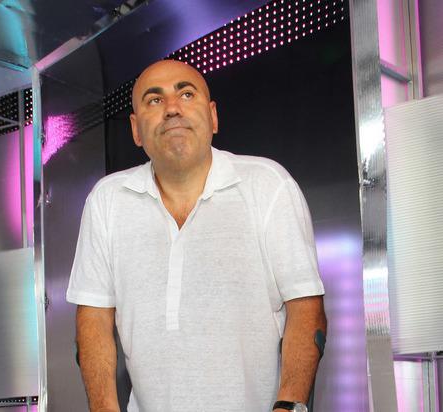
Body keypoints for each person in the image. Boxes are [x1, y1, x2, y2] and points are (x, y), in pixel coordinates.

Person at [66, 59, 327, 412]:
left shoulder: (268, 186)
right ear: (136, 130)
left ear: (213, 116)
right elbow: (93, 319)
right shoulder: (107, 200)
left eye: (186, 94)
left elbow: (306, 308)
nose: (172, 108)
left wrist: (288, 407)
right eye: (154, 100)